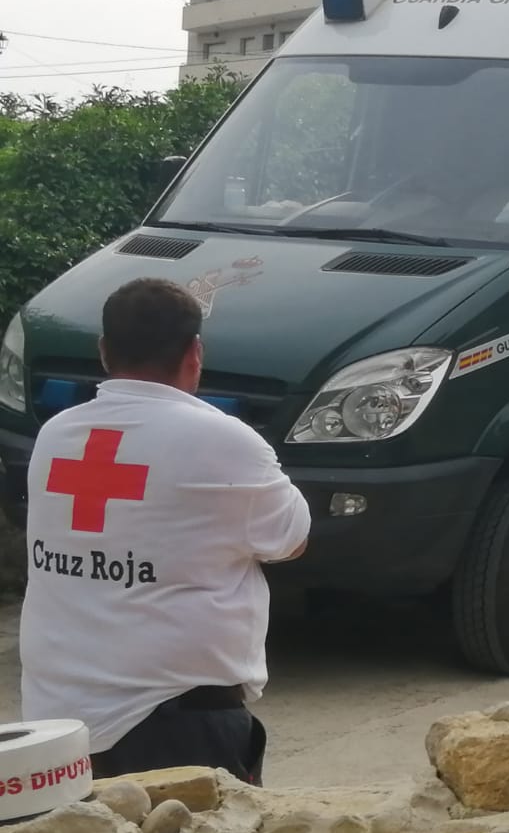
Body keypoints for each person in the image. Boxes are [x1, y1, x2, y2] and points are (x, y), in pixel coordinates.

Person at [20, 278, 310, 781]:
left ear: (104, 352)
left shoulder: (56, 435)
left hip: (59, 729)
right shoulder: (222, 440)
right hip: (174, 726)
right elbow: (292, 541)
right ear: (195, 353)